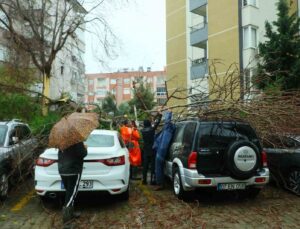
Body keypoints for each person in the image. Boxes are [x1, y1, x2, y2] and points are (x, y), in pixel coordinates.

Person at [58, 142, 87, 228]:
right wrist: (85, 148)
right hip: (73, 171)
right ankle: (67, 223)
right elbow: (83, 154)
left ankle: (71, 213)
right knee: (71, 196)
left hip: (62, 170)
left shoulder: (61, 142)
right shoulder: (77, 141)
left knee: (69, 193)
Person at [153, 109, 176, 191]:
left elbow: (167, 122)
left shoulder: (168, 130)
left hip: (160, 152)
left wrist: (169, 112)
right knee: (159, 168)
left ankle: (160, 184)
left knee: (158, 168)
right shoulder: (169, 130)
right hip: (161, 151)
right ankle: (161, 182)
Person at [140, 111, 162, 185]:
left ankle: (144, 180)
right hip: (152, 149)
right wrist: (160, 115)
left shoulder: (142, 131)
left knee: (145, 166)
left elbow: (153, 124)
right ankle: (152, 180)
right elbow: (157, 123)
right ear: (149, 123)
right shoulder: (152, 129)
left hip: (146, 149)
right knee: (153, 165)